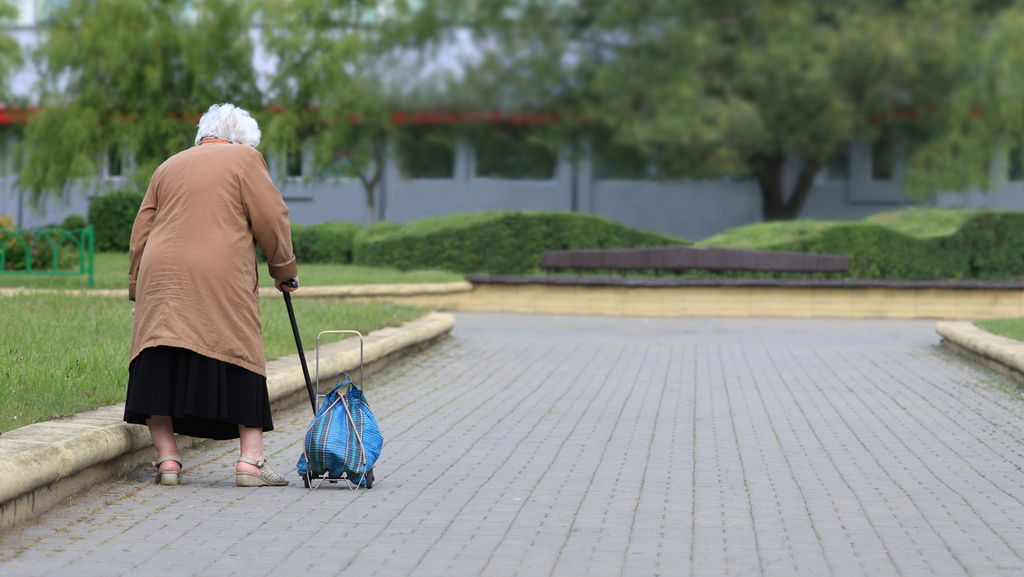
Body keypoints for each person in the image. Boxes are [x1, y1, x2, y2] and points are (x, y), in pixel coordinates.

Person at [124, 103, 298, 487]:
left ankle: (167, 461)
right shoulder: (245, 158)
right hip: (218, 270)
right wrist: (284, 269)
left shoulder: (168, 165)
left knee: (160, 351)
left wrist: (137, 283)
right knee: (238, 349)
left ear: (204, 133)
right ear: (241, 138)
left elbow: (142, 228)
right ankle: (251, 463)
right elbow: (271, 216)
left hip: (161, 272)